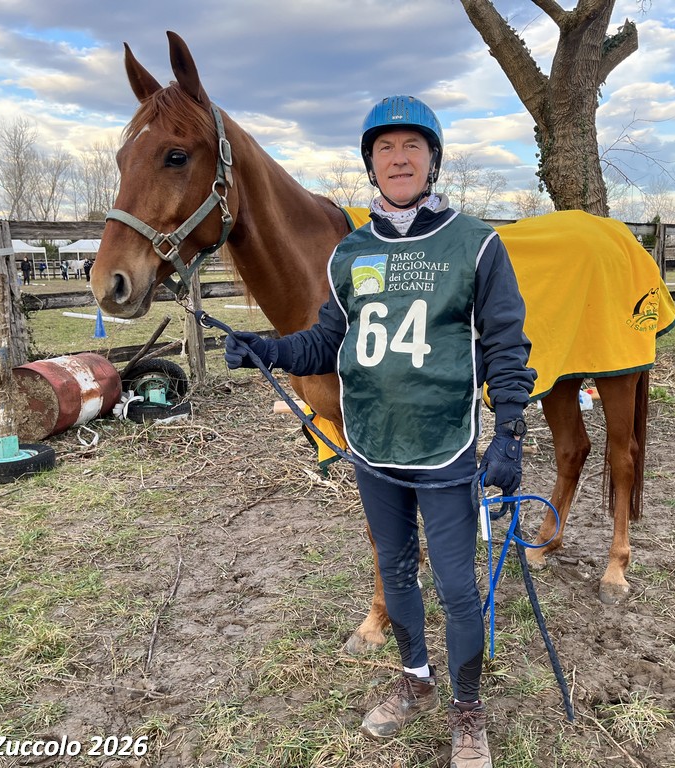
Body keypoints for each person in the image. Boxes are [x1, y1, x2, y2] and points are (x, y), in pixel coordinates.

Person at [224, 95, 534, 768]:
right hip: (373, 445)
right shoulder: (352, 252)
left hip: (444, 445)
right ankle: (416, 679)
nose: (398, 159)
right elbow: (327, 342)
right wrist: (269, 349)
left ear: (432, 160)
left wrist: (510, 430)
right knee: (395, 573)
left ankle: (468, 707)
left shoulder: (476, 243)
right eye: (385, 149)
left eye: (411, 147)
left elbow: (507, 344)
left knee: (456, 586)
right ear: (371, 165)